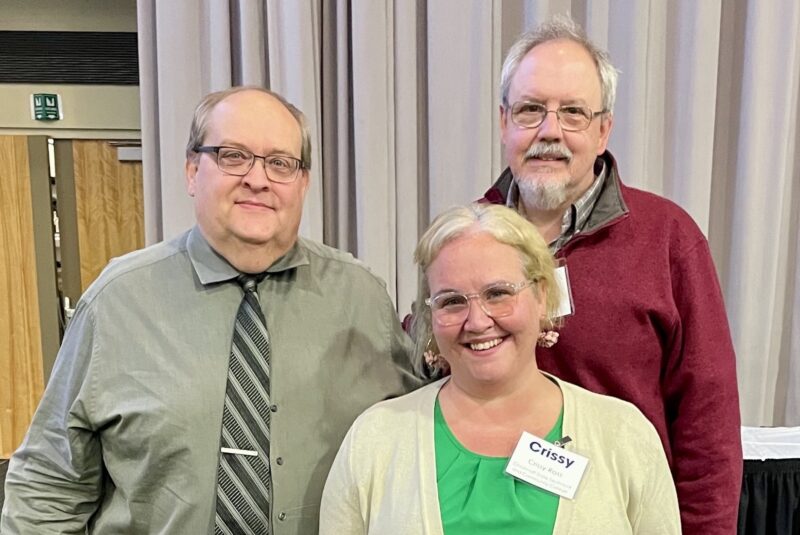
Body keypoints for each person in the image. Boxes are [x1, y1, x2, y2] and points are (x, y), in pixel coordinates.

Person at [1, 86, 422, 534]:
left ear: (303, 183)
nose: (257, 179)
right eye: (233, 155)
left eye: (280, 163)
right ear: (191, 170)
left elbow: (412, 447)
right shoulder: (116, 303)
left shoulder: (363, 300)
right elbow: (48, 489)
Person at [481, 15, 741, 534]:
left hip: (621, 517)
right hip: (490, 514)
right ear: (505, 121)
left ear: (603, 131)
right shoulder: (469, 238)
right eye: (532, 110)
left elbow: (707, 425)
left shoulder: (668, 238)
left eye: (573, 113)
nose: (549, 131)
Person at [320, 203, 680, 534]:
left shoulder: (623, 435)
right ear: (431, 316)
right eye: (452, 301)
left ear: (541, 297)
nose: (477, 322)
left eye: (498, 294)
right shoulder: (375, 440)